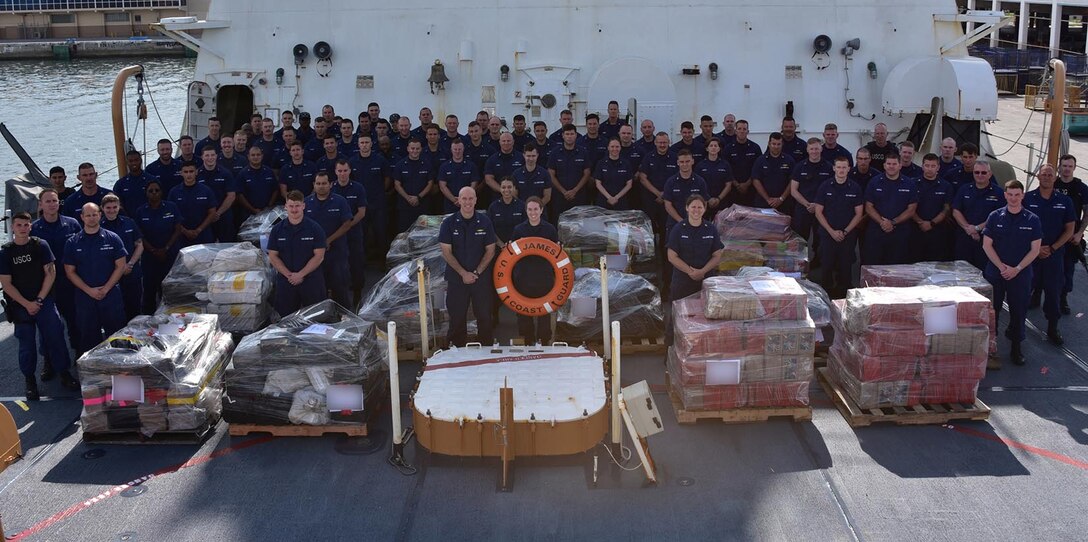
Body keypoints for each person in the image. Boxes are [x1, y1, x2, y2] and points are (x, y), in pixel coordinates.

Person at [0, 212, 78, 400]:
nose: (23, 228)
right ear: (12, 227)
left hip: (43, 301)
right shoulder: (5, 252)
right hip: (20, 306)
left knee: (56, 337)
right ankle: (30, 381)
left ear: (30, 226)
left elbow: (50, 274)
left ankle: (64, 373)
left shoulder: (40, 246)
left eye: (26, 225)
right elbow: (6, 284)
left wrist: (40, 300)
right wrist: (27, 304)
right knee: (26, 346)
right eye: (19, 225)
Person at [982, 180, 1042, 365]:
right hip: (996, 272)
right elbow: (987, 245)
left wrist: (1016, 269)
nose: (1013, 198)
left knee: (1018, 311)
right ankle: (991, 347)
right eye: (1010, 194)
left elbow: (1035, 250)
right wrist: (1001, 267)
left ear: (1023, 195)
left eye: (1017, 194)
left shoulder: (1032, 220)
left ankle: (1016, 347)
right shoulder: (994, 216)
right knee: (993, 311)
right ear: (1005, 195)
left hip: (1020, 274)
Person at [64, 203, 128, 355]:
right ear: (82, 217)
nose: (91, 218)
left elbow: (120, 266)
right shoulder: (72, 243)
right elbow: (70, 272)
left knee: (116, 335)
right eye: (88, 215)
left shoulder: (113, 238)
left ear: (100, 215)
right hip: (85, 297)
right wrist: (89, 290)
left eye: (94, 214)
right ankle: (94, 375)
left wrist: (105, 289)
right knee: (88, 337)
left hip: (110, 295)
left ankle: (119, 370)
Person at [439, 187, 497, 347]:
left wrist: (476, 272)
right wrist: (463, 273)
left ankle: (486, 353)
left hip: (481, 279)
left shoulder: (485, 221)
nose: (468, 202)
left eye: (471, 198)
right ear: (458, 200)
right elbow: (446, 251)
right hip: (457, 280)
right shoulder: (448, 223)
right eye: (464, 199)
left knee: (485, 318)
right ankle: (457, 355)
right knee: (457, 318)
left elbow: (490, 250)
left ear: (476, 200)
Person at [1024, 164, 1075, 345]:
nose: (1046, 177)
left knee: (1053, 293)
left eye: (1050, 175)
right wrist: (1036, 249)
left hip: (1054, 256)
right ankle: (1018, 328)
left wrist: (1052, 248)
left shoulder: (1065, 201)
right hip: (1031, 256)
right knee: (1024, 291)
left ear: (1055, 178)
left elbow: (1069, 229)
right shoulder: (1027, 199)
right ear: (1038, 176)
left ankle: (1053, 327)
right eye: (1043, 174)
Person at [666, 195, 724, 343]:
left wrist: (702, 271)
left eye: (700, 207)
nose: (696, 210)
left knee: (704, 316)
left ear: (704, 209)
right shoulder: (678, 229)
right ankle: (671, 351)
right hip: (682, 281)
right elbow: (671, 256)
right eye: (693, 207)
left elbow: (717, 255)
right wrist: (690, 271)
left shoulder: (710, 229)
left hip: (706, 280)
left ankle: (699, 349)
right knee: (678, 316)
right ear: (687, 208)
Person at [31, 189, 81, 351]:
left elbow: (82, 250)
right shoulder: (33, 229)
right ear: (40, 204)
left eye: (54, 201)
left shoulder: (72, 224)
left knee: (75, 320)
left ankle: (79, 352)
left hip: (69, 281)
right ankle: (49, 361)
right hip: (45, 285)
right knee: (48, 325)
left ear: (59, 203)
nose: (52, 204)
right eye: (48, 201)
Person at [268, 191, 328, 316]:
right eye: (291, 206)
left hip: (311, 281)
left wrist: (300, 274)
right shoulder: (277, 230)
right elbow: (273, 256)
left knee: (316, 318)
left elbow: (319, 256)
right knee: (285, 320)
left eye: (297, 205)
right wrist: (289, 275)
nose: (294, 209)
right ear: (285, 207)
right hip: (286, 281)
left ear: (303, 206)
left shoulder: (315, 228)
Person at [509, 196, 559, 345]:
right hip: (523, 276)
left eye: (536, 209)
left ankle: (544, 340)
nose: (533, 212)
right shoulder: (519, 230)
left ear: (541, 210)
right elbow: (511, 253)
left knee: (544, 311)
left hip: (544, 276)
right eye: (530, 209)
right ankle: (527, 339)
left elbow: (557, 252)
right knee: (524, 311)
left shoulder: (550, 229)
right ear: (526, 211)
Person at [814, 157, 864, 298]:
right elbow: (818, 211)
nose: (841, 170)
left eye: (844, 167)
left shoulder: (855, 188)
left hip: (847, 236)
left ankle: (844, 296)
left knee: (845, 266)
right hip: (827, 234)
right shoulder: (825, 186)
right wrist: (831, 231)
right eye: (839, 167)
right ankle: (825, 296)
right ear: (834, 168)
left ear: (849, 169)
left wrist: (846, 231)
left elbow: (859, 213)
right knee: (827, 265)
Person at [305, 171, 354, 308]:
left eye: (324, 183)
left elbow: (347, 224)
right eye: (318, 183)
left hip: (337, 253)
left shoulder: (340, 201)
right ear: (314, 185)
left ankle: (345, 317)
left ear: (330, 184)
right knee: (318, 289)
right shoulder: (306, 203)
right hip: (314, 255)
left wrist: (329, 240)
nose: (321, 186)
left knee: (340, 287)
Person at [135, 179, 182, 314]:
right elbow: (140, 235)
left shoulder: (171, 207)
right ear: (146, 194)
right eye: (151, 191)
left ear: (161, 192)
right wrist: (153, 251)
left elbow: (177, 229)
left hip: (169, 255)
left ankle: (170, 318)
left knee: (169, 289)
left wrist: (166, 249)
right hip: (149, 258)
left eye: (157, 190)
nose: (154, 193)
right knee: (149, 291)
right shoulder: (140, 211)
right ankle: (147, 319)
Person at [862, 155, 917, 265]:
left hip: (900, 233)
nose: (891, 167)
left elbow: (911, 209)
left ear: (900, 166)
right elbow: (868, 206)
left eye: (894, 164)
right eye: (889, 164)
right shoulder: (874, 182)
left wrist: (893, 222)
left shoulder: (909, 183)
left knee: (896, 267)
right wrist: (883, 222)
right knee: (874, 265)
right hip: (877, 232)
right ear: (884, 166)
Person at [952, 160, 1004, 269]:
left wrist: (977, 228)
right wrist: (969, 229)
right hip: (964, 239)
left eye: (983, 173)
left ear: (990, 174)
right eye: (977, 172)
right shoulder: (964, 189)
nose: (980, 175)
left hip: (986, 242)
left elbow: (998, 216)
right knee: (961, 273)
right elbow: (956, 211)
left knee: (984, 275)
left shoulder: (998, 193)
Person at [348, 134, 392, 261]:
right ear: (358, 144)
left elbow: (387, 178)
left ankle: (383, 262)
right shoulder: (352, 161)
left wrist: (380, 191)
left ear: (371, 144)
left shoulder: (380, 160)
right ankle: (363, 262)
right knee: (362, 234)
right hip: (360, 205)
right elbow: (351, 181)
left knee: (381, 233)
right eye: (362, 142)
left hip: (378, 203)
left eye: (367, 142)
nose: (364, 145)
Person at [100, 195, 144, 321]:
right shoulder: (99, 226)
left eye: (115, 207)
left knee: (134, 307)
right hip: (110, 276)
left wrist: (130, 264)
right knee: (114, 311)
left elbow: (139, 245)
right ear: (102, 208)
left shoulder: (129, 222)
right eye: (108, 208)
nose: (112, 210)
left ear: (119, 207)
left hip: (130, 272)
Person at [331, 160, 369, 306]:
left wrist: (347, 226)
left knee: (356, 264)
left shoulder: (358, 188)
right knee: (337, 266)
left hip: (353, 233)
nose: (342, 174)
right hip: (336, 235)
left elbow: (361, 212)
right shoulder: (331, 188)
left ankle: (358, 295)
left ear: (349, 171)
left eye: (345, 170)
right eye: (339, 171)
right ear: (335, 172)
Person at [1055, 154, 1088, 314]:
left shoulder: (1081, 188)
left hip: (1071, 237)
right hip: (1052, 235)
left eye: (1070, 166)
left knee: (1067, 269)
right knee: (1041, 268)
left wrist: (1080, 233)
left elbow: (1087, 213)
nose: (1066, 169)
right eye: (1064, 166)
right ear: (1059, 167)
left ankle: (1063, 298)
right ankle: (1036, 294)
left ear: (1074, 167)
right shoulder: (1051, 183)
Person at [910, 153, 954, 263]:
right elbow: (909, 207)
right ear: (922, 166)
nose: (930, 169)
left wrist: (932, 223)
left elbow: (946, 208)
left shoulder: (946, 186)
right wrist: (920, 222)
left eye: (933, 166)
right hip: (916, 231)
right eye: (927, 165)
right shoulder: (913, 184)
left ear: (938, 167)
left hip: (937, 232)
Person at [790, 137, 834, 240]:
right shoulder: (799, 167)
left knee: (820, 241)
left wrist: (817, 205)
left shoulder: (829, 167)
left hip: (822, 210)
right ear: (807, 150)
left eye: (816, 149)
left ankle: (818, 257)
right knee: (800, 240)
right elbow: (793, 190)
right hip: (803, 209)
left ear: (821, 149)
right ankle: (801, 257)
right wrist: (808, 204)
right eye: (812, 149)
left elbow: (831, 190)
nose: (814, 151)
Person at [168, 161, 218, 246]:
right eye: (186, 172)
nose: (189, 174)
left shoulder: (206, 190)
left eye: (191, 171)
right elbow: (171, 214)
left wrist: (198, 230)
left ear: (196, 172)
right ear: (181, 173)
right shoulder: (174, 192)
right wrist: (185, 231)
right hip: (181, 237)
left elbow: (212, 212)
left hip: (203, 235)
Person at [638, 132, 678, 235]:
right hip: (650, 199)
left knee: (666, 229)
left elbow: (678, 178)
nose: (662, 145)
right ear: (655, 142)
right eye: (660, 142)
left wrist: (665, 195)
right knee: (649, 229)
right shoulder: (648, 157)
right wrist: (658, 194)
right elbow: (643, 178)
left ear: (669, 142)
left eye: (665, 142)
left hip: (669, 200)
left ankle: (664, 250)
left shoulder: (675, 158)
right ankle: (652, 251)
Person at [547, 125, 590, 219]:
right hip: (560, 197)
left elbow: (587, 173)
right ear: (563, 135)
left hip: (578, 196)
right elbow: (551, 174)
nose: (569, 136)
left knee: (578, 225)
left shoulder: (583, 152)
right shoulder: (555, 153)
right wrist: (563, 191)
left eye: (572, 134)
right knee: (559, 223)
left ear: (576, 135)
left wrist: (575, 190)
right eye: (567, 134)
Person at [196, 147, 238, 242]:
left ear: (216, 156)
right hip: (203, 218)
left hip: (223, 215)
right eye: (207, 155)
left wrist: (217, 213)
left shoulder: (226, 173)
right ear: (202, 157)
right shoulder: (197, 174)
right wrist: (210, 215)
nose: (210, 158)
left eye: (212, 155)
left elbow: (231, 196)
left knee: (227, 245)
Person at [393, 139, 436, 232]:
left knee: (423, 233)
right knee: (404, 233)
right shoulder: (400, 165)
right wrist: (408, 198)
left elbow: (430, 183)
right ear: (408, 149)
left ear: (421, 149)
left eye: (417, 148)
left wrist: (418, 197)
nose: (415, 151)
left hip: (423, 205)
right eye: (412, 148)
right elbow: (397, 184)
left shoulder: (427, 164)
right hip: (405, 206)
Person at [662, 150, 709, 231]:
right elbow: (668, 205)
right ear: (678, 163)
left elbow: (704, 203)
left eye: (687, 161)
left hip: (695, 224)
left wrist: (693, 220)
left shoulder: (700, 181)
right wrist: (681, 221)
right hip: (674, 224)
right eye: (682, 162)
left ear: (692, 161)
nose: (685, 164)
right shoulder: (670, 182)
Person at [751, 132, 796, 210]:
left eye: (779, 144)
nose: (776, 146)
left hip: (784, 203)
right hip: (763, 202)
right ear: (769, 144)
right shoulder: (760, 160)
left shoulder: (789, 160)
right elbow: (756, 180)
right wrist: (768, 199)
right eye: (774, 144)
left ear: (782, 144)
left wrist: (781, 198)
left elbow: (793, 181)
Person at [723, 120, 761, 205]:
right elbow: (726, 169)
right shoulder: (728, 148)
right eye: (739, 128)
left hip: (751, 189)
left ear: (748, 131)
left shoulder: (755, 148)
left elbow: (758, 169)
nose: (742, 131)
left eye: (744, 129)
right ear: (735, 131)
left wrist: (747, 184)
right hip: (733, 190)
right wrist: (736, 184)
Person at [236, 146, 279, 222]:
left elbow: (275, 189)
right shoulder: (242, 174)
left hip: (267, 213)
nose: (256, 157)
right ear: (248, 157)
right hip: (248, 214)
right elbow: (240, 195)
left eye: (258, 155)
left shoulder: (269, 171)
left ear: (262, 156)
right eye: (253, 155)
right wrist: (253, 209)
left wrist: (269, 206)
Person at [438, 138, 480, 213]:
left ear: (463, 149)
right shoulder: (444, 166)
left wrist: (464, 200)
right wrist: (454, 200)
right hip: (450, 204)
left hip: (468, 204)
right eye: (455, 149)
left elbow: (474, 184)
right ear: (451, 150)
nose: (457, 152)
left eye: (459, 149)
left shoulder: (471, 165)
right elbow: (442, 186)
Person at [695, 137, 734, 218]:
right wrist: (708, 199)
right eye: (711, 145)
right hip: (704, 203)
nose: (713, 148)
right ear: (707, 148)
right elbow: (697, 184)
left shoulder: (725, 164)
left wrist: (718, 199)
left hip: (722, 203)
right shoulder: (700, 165)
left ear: (719, 148)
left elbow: (728, 185)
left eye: (715, 146)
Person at [594, 138, 635, 210]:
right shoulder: (601, 163)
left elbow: (629, 184)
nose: (615, 149)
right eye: (612, 146)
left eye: (617, 147)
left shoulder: (626, 164)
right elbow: (598, 183)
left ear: (620, 148)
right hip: (604, 200)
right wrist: (609, 197)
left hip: (621, 201)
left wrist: (616, 197)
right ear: (608, 148)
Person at [487, 178, 526, 251]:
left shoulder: (522, 206)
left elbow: (525, 228)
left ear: (514, 188)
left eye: (509, 187)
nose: (506, 190)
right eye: (503, 187)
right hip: (498, 247)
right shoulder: (493, 207)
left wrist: (513, 244)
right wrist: (501, 245)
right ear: (500, 188)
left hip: (518, 247)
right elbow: (490, 229)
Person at [113, 150, 152, 216]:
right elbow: (117, 204)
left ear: (141, 160)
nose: (134, 163)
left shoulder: (151, 181)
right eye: (131, 161)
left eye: (136, 160)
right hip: (129, 220)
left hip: (149, 219)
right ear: (127, 162)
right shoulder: (120, 184)